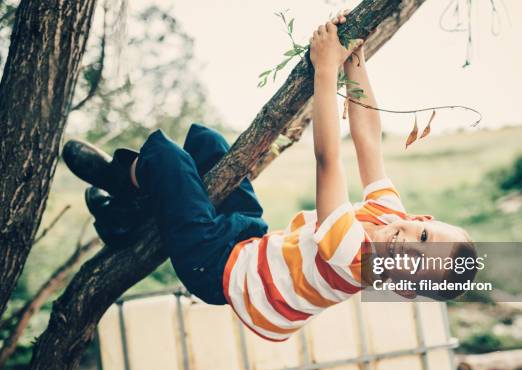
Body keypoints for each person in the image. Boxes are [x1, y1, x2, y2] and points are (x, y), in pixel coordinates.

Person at [63, 11, 477, 342]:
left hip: (219, 269)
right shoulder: (390, 219)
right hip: (252, 240)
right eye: (421, 237)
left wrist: (326, 67)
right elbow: (368, 141)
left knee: (169, 160)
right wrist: (356, 61)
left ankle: (119, 183)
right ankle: (130, 215)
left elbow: (327, 159)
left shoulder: (356, 259)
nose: (404, 241)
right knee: (207, 143)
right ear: (423, 221)